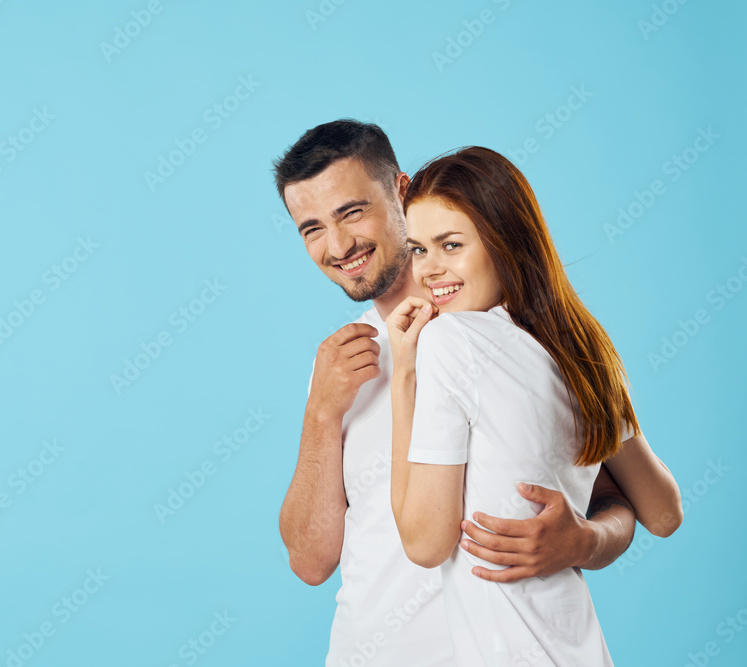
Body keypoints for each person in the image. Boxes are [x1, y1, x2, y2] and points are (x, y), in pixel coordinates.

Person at [273, 120, 643, 666]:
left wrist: (585, 542)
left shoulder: (519, 336)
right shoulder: (341, 366)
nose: (339, 245)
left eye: (352, 212)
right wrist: (320, 414)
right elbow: (309, 561)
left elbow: (621, 498)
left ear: (402, 192)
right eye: (311, 228)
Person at [386, 146, 682, 665]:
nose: (430, 270)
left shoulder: (451, 340)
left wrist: (404, 372)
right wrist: (586, 540)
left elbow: (425, 543)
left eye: (450, 245)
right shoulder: (582, 348)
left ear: (505, 241)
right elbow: (662, 511)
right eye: (418, 249)